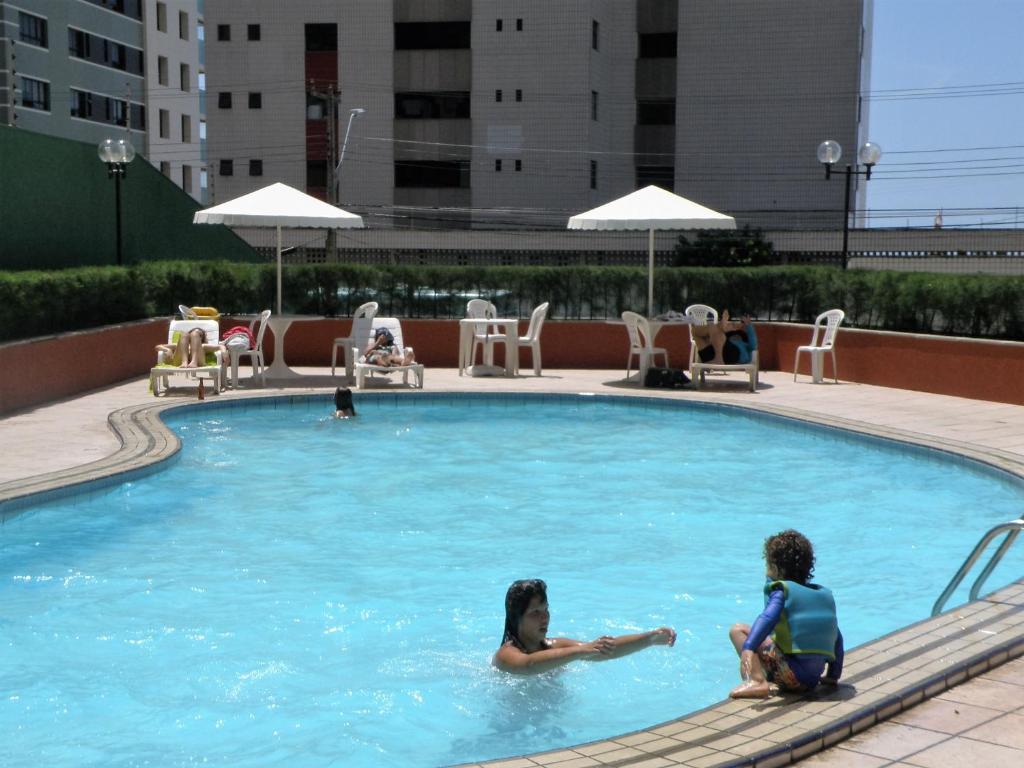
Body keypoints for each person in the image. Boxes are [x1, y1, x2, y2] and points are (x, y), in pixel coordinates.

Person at [729, 529, 844, 699]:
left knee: (738, 630)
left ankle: (757, 681)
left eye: (767, 563)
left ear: (775, 568)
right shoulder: (819, 596)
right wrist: (832, 675)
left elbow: (767, 618)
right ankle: (767, 679)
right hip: (812, 680)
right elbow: (836, 636)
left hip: (792, 677)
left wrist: (748, 648)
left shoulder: (781, 592)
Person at [493, 579, 676, 675]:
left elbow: (604, 650)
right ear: (517, 617)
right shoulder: (506, 655)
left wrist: (650, 638)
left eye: (546, 609)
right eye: (535, 612)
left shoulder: (554, 646)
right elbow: (529, 666)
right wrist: (581, 652)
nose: (545, 618)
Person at [691, 310, 757, 365]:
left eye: (732, 325)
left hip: (733, 354)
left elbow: (753, 346)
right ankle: (721, 326)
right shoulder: (722, 334)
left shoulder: (743, 338)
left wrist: (749, 326)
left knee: (715, 329)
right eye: (729, 324)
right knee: (694, 330)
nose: (731, 325)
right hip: (710, 354)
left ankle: (719, 358)